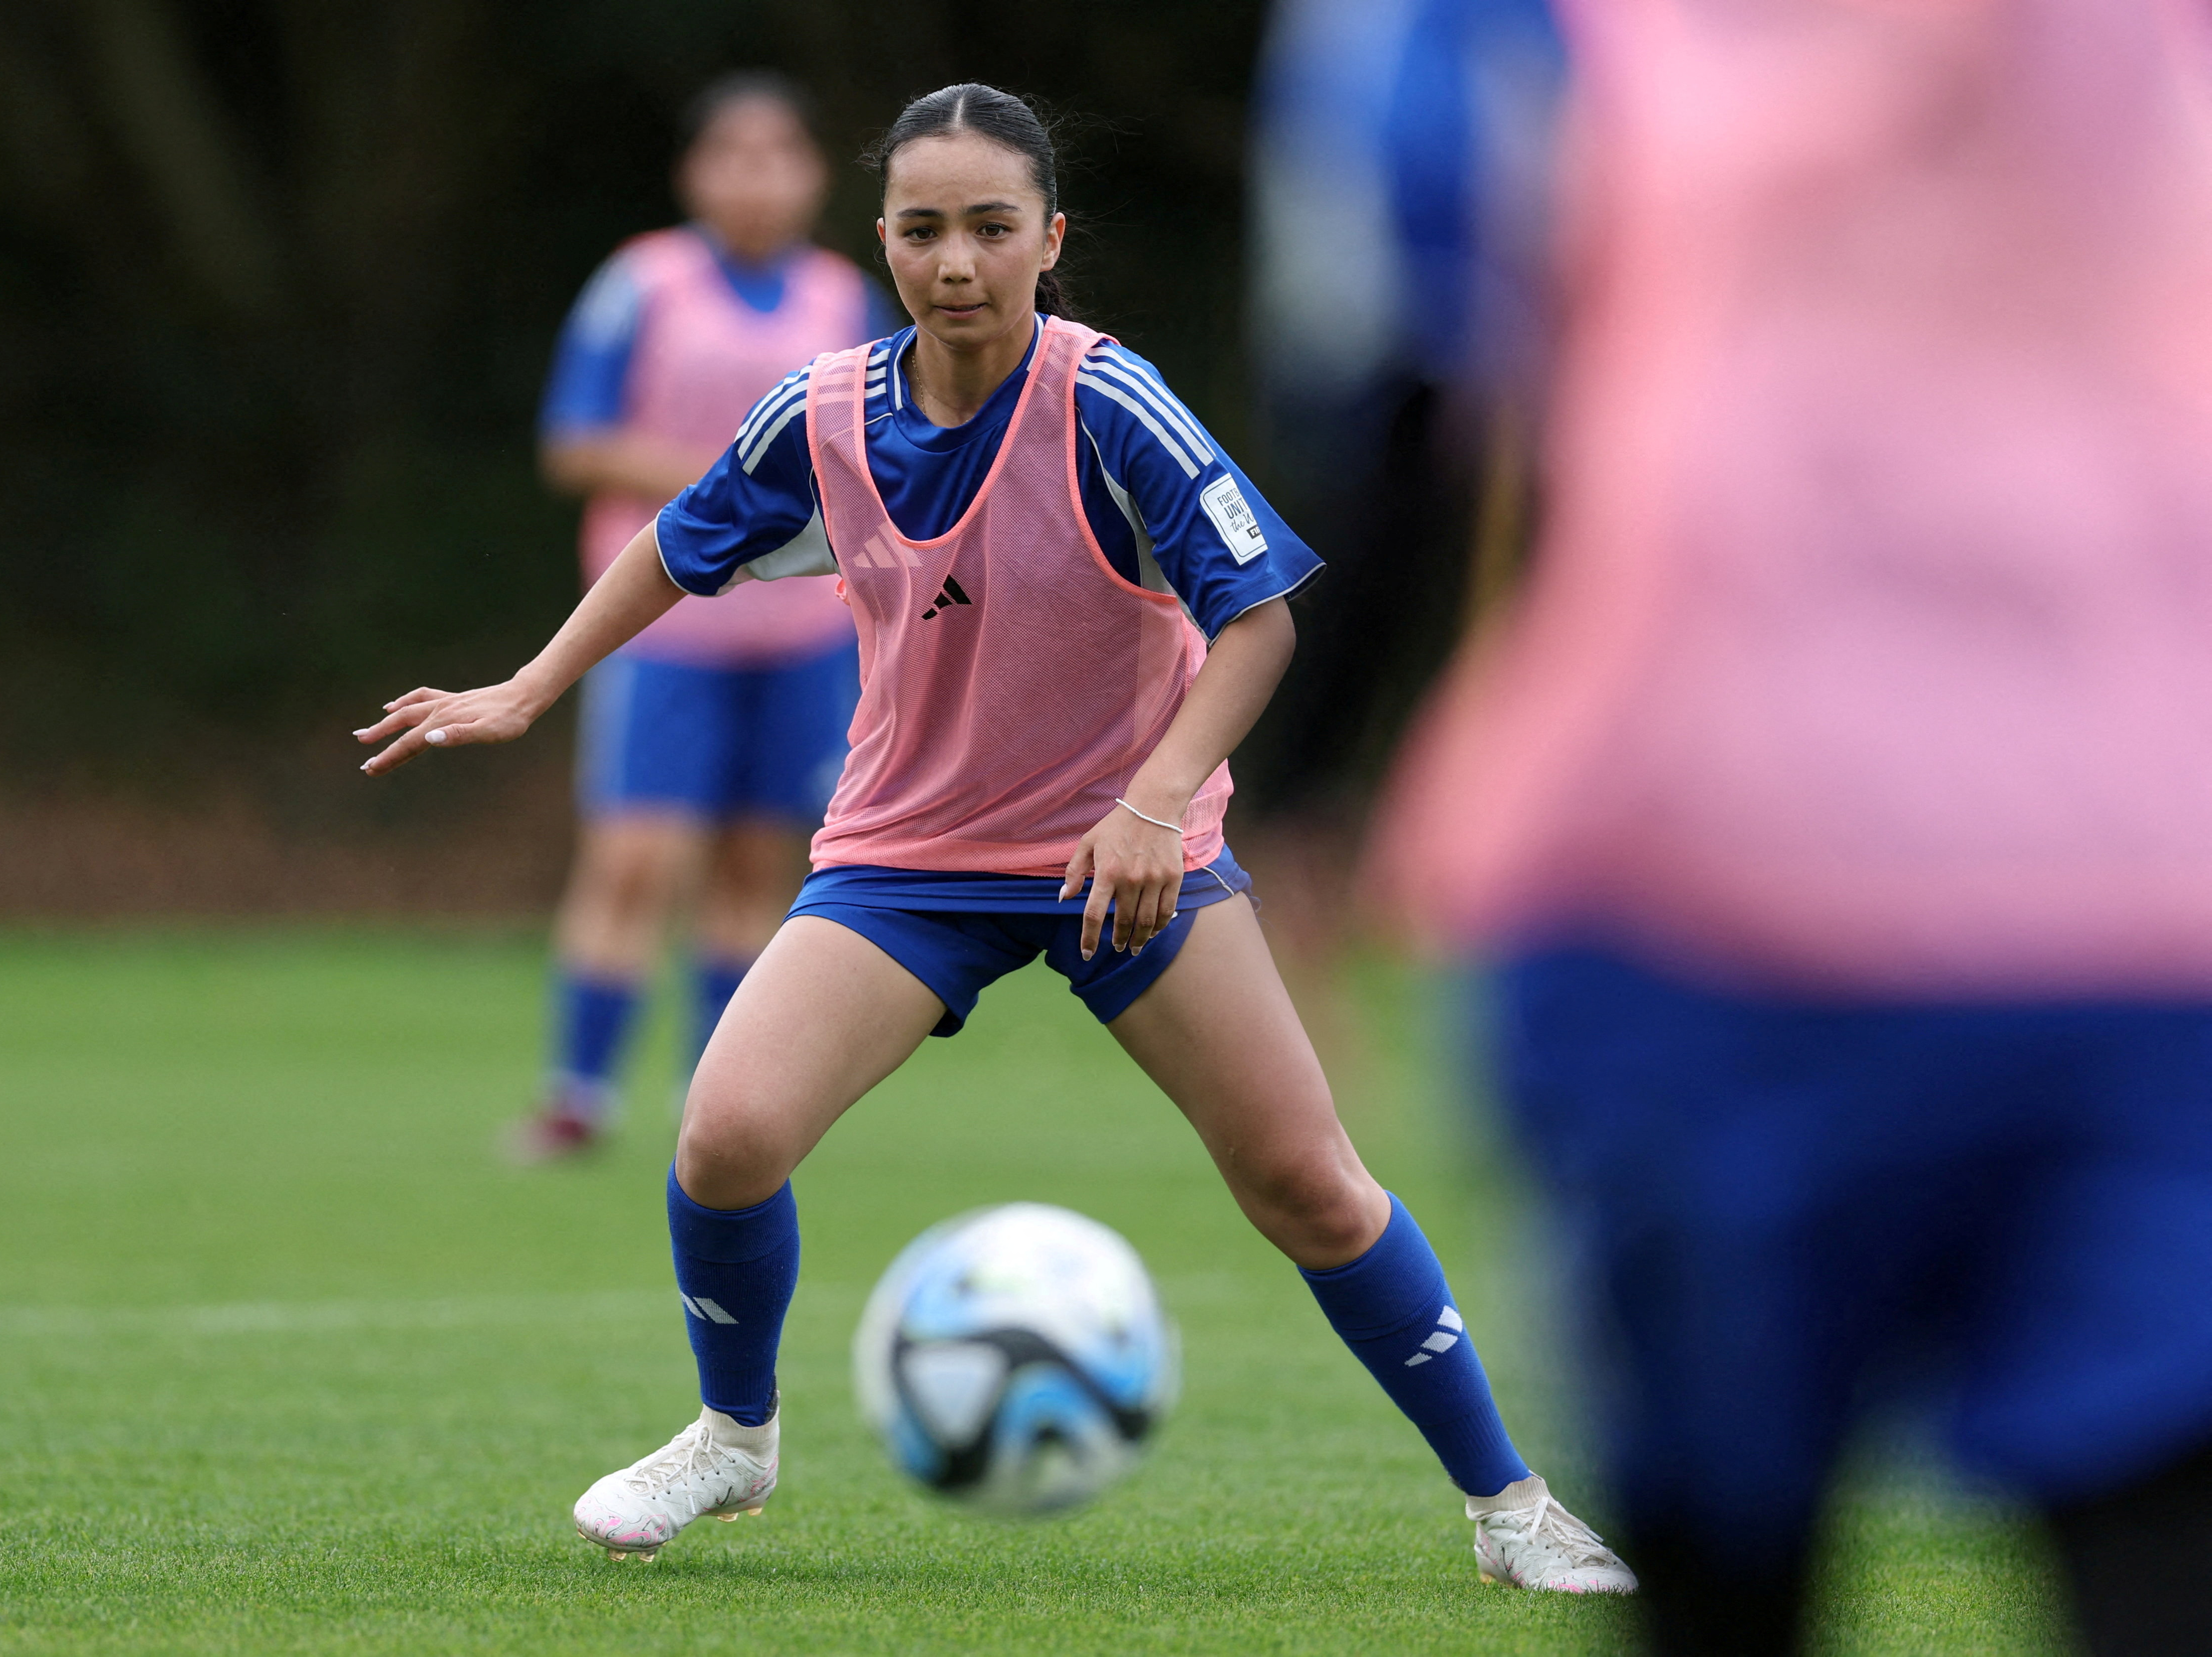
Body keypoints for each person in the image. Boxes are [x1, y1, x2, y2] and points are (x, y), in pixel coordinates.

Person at [360, 83, 1633, 1594]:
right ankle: (733, 1433)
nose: (953, 258)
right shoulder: (822, 410)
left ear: (1047, 238)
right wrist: (530, 683)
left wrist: (1152, 801)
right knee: (723, 1138)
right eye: (919, 227)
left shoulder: (1108, 401)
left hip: (1125, 857)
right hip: (906, 862)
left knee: (1305, 1180)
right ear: (883, 241)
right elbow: (675, 541)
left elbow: (1260, 621)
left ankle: (1510, 1503)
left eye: (988, 226)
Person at [1368, 1, 2212, 1650]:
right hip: (2141, 869)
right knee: (2161, 1518)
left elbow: (1426, 366)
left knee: (1724, 1561)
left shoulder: (1499, 33)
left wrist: (1346, 771)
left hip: (1704, 871)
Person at [525, 72, 894, 1156]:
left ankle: (717, 1095)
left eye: (778, 154)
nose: (756, 177)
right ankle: (575, 1095)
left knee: (753, 868)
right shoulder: (643, 285)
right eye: (732, 155)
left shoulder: (843, 298)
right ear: (694, 174)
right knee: (636, 858)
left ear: (813, 174)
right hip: (666, 631)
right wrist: (729, 482)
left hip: (800, 635)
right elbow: (574, 442)